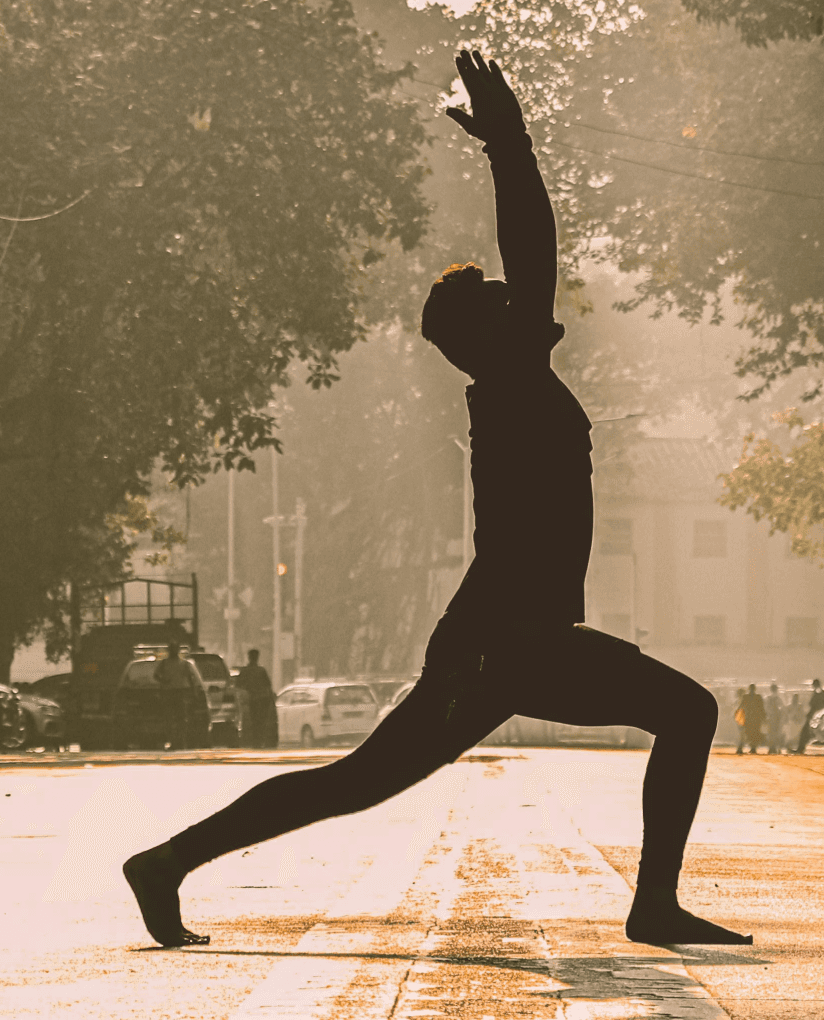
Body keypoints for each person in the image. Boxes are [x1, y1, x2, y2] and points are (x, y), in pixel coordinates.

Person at [123, 50, 747, 950]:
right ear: (485, 332)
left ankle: (166, 864)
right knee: (682, 713)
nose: (521, 299)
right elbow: (534, 247)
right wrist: (508, 143)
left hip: (508, 635)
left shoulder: (508, 380)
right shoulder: (511, 377)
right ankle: (652, 906)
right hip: (506, 642)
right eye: (500, 299)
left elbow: (529, 267)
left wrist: (508, 143)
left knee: (357, 782)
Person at [234, 649, 278, 749]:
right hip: (262, 700)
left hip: (253, 700)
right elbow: (268, 686)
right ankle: (259, 740)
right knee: (261, 721)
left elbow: (238, 684)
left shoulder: (245, 671)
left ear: (249, 657)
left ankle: (256, 741)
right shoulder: (261, 671)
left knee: (255, 720)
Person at [796, 678, 824, 754]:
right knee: (806, 732)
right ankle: (800, 748)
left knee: (805, 732)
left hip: (815, 716)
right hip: (817, 716)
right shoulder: (823, 694)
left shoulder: (818, 694)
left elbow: (813, 705)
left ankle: (800, 749)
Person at [764, 683, 785, 755]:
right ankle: (776, 748)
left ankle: (771, 748)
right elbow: (782, 709)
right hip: (776, 718)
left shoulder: (768, 698)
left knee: (771, 733)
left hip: (771, 718)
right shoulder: (778, 699)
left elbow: (766, 709)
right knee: (776, 733)